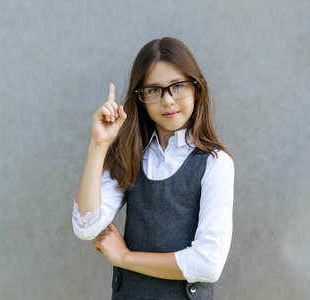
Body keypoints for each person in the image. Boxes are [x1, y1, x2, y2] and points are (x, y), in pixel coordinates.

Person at [72, 37, 234, 300]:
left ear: (197, 90)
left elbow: (208, 264)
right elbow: (85, 227)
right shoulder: (132, 156)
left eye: (178, 86)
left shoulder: (215, 163)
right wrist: (99, 145)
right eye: (154, 90)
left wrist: (125, 257)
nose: (168, 100)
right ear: (141, 99)